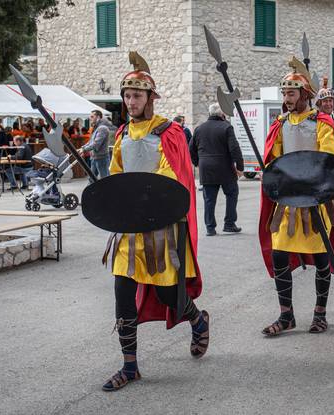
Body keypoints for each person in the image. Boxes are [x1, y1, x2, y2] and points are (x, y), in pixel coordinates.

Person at [101, 51, 209, 392]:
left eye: (136, 95)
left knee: (168, 296)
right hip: (129, 234)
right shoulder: (121, 135)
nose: (130, 101)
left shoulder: (169, 132)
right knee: (123, 296)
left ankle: (197, 318)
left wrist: (144, 203)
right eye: (127, 96)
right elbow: (117, 176)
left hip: (161, 230)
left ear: (150, 98)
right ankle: (130, 366)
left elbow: (172, 180)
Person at [258, 57, 334, 335]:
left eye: (292, 93)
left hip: (314, 201)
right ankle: (286, 314)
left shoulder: (321, 123)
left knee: (323, 258)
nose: (287, 98)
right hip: (287, 204)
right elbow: (274, 158)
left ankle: (320, 313)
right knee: (279, 256)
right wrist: (270, 169)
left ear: (305, 94)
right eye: (284, 93)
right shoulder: (280, 123)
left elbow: (329, 159)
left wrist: (311, 179)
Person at [189, 103, 244, 236]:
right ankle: (229, 224)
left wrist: (197, 162)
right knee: (232, 194)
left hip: (206, 168)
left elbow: (191, 148)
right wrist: (240, 167)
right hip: (225, 167)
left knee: (209, 199)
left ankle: (210, 228)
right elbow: (234, 149)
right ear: (222, 115)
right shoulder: (226, 127)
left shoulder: (199, 129)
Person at [79, 110, 110, 182]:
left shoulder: (102, 128)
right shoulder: (96, 128)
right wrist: (82, 148)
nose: (90, 118)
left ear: (98, 117)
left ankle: (108, 193)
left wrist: (84, 149)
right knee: (91, 179)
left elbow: (96, 144)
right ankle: (91, 193)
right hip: (95, 158)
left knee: (105, 180)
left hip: (101, 159)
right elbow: (90, 142)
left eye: (92, 116)